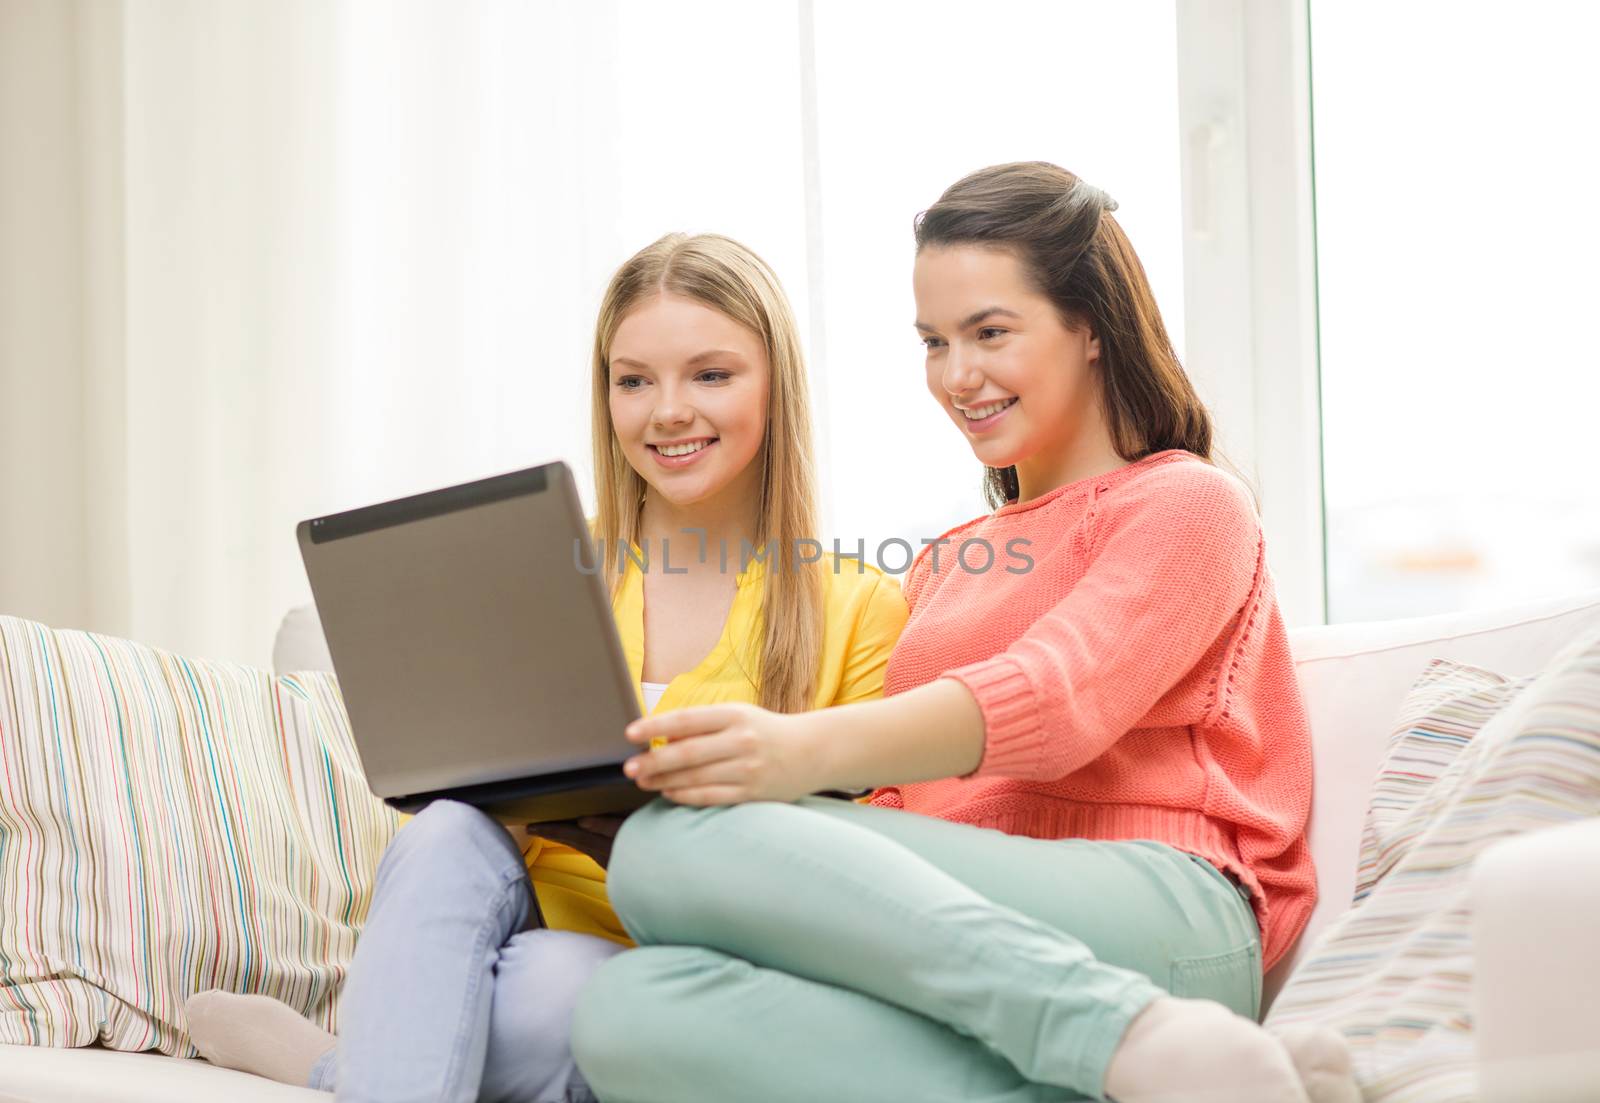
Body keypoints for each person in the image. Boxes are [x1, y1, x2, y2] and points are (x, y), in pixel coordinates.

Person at [567, 164, 1359, 1103]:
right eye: (935, 342)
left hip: (1168, 914)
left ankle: (1127, 1033)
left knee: (675, 848)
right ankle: (1175, 1078)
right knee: (623, 1011)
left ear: (1093, 327)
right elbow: (904, 813)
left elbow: (1054, 697)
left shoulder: (1188, 502)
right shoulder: (944, 562)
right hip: (981, 941)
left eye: (990, 332)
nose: (958, 375)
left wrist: (786, 754)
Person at [182, 232, 908, 1103]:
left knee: (564, 998)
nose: (666, 410)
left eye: (711, 374)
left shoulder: (859, 605)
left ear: (776, 384)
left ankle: (341, 1063)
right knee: (448, 827)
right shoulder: (548, 567)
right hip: (516, 937)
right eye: (633, 379)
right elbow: (454, 833)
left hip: (692, 970)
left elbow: (867, 869)